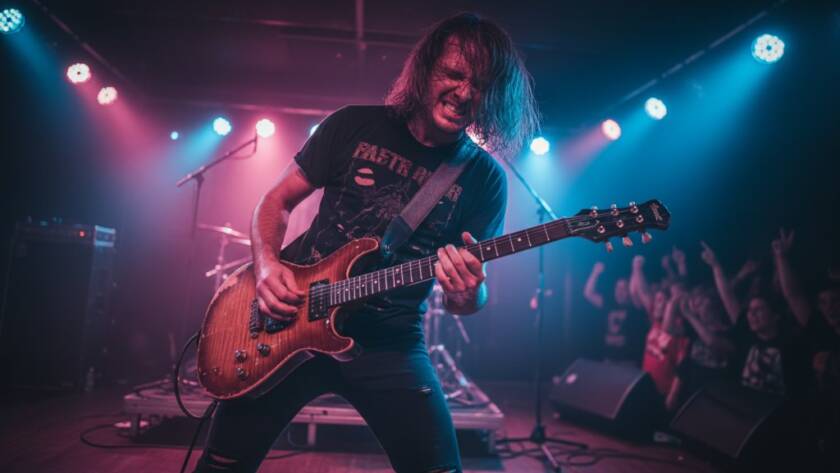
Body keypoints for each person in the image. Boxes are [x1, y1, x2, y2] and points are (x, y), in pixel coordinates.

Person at [193, 13, 539, 473]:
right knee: (222, 464)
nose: (464, 93)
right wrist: (269, 266)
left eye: (481, 86)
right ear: (426, 71)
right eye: (455, 75)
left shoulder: (484, 179)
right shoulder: (352, 126)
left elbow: (466, 300)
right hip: (291, 323)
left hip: (390, 344)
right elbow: (275, 202)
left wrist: (468, 291)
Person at [583, 260, 648, 365]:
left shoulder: (635, 306)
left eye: (623, 288)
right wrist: (595, 273)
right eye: (617, 287)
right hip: (608, 360)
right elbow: (588, 293)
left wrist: (636, 269)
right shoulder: (609, 303)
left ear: (629, 290)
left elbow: (640, 291)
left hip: (628, 362)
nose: (619, 291)